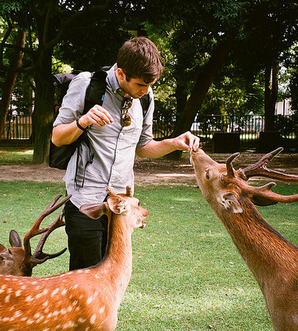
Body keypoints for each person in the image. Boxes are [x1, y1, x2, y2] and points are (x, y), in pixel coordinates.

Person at [52, 36, 200, 270]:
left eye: (150, 85)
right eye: (141, 85)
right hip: (84, 200)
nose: (146, 90)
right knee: (85, 281)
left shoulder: (146, 98)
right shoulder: (85, 84)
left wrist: (174, 142)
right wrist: (82, 122)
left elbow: (142, 148)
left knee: (112, 277)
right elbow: (57, 137)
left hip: (121, 205)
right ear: (121, 74)